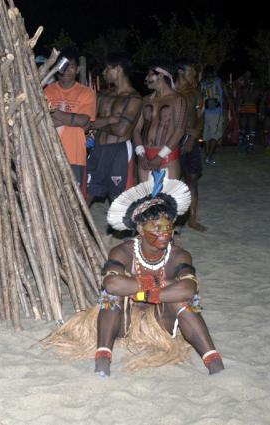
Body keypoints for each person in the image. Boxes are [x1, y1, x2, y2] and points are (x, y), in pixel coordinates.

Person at [43, 170, 224, 376]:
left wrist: (143, 292)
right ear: (140, 229)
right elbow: (112, 284)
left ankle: (213, 361)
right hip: (124, 322)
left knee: (185, 302)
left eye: (168, 227)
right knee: (111, 297)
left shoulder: (179, 255)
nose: (164, 233)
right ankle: (103, 358)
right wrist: (164, 282)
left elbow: (188, 288)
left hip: (161, 321)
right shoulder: (123, 251)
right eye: (156, 227)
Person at [86, 53, 142, 204]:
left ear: (118, 69)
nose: (103, 73)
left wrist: (100, 123)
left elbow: (121, 130)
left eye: (107, 69)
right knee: (85, 194)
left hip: (119, 151)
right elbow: (88, 123)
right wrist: (110, 120)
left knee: (119, 201)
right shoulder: (102, 95)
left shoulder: (134, 98)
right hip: (98, 150)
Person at [44, 47, 96, 192]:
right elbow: (42, 122)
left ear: (78, 69)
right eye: (63, 66)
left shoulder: (87, 93)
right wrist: (73, 119)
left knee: (74, 199)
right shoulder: (46, 91)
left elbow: (84, 121)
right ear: (57, 68)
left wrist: (51, 111)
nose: (66, 71)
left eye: (71, 66)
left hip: (75, 155)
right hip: (49, 154)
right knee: (51, 195)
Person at [133, 64, 187, 182]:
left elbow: (180, 131)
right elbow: (136, 129)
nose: (146, 79)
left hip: (168, 157)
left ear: (161, 75)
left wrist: (160, 156)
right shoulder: (146, 100)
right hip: (145, 156)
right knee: (146, 199)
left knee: (167, 199)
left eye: (150, 74)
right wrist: (141, 154)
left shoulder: (178, 99)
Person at [176, 60, 207, 232]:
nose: (194, 77)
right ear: (181, 72)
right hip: (175, 140)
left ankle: (192, 218)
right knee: (173, 179)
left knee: (193, 179)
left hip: (192, 140)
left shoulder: (196, 94)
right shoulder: (172, 93)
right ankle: (173, 218)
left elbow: (200, 116)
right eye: (192, 73)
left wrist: (193, 135)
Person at [200, 66, 227, 164]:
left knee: (206, 135)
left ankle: (208, 156)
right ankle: (209, 156)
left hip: (205, 113)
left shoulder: (202, 83)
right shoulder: (219, 82)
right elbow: (227, 95)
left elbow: (199, 97)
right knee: (216, 135)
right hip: (217, 113)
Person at [235, 72, 260, 153]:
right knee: (251, 129)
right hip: (252, 108)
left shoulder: (243, 89)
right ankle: (250, 145)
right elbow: (261, 101)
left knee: (243, 128)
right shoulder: (257, 90)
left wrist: (237, 109)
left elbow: (238, 100)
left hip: (244, 108)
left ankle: (242, 143)